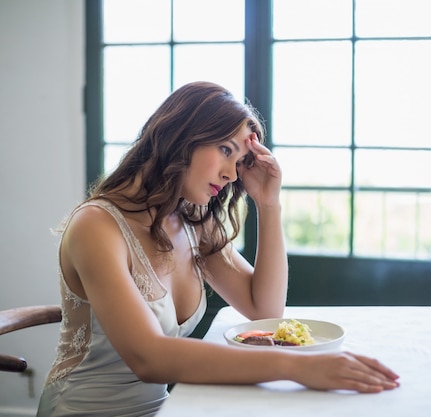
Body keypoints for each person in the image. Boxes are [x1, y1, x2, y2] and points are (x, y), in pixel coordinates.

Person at [36, 81, 399, 416]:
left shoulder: (193, 221)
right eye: (225, 150)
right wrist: (298, 367)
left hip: (166, 409)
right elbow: (147, 357)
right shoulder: (96, 226)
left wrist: (269, 205)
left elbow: (264, 309)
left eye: (239, 161)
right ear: (181, 137)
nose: (231, 174)